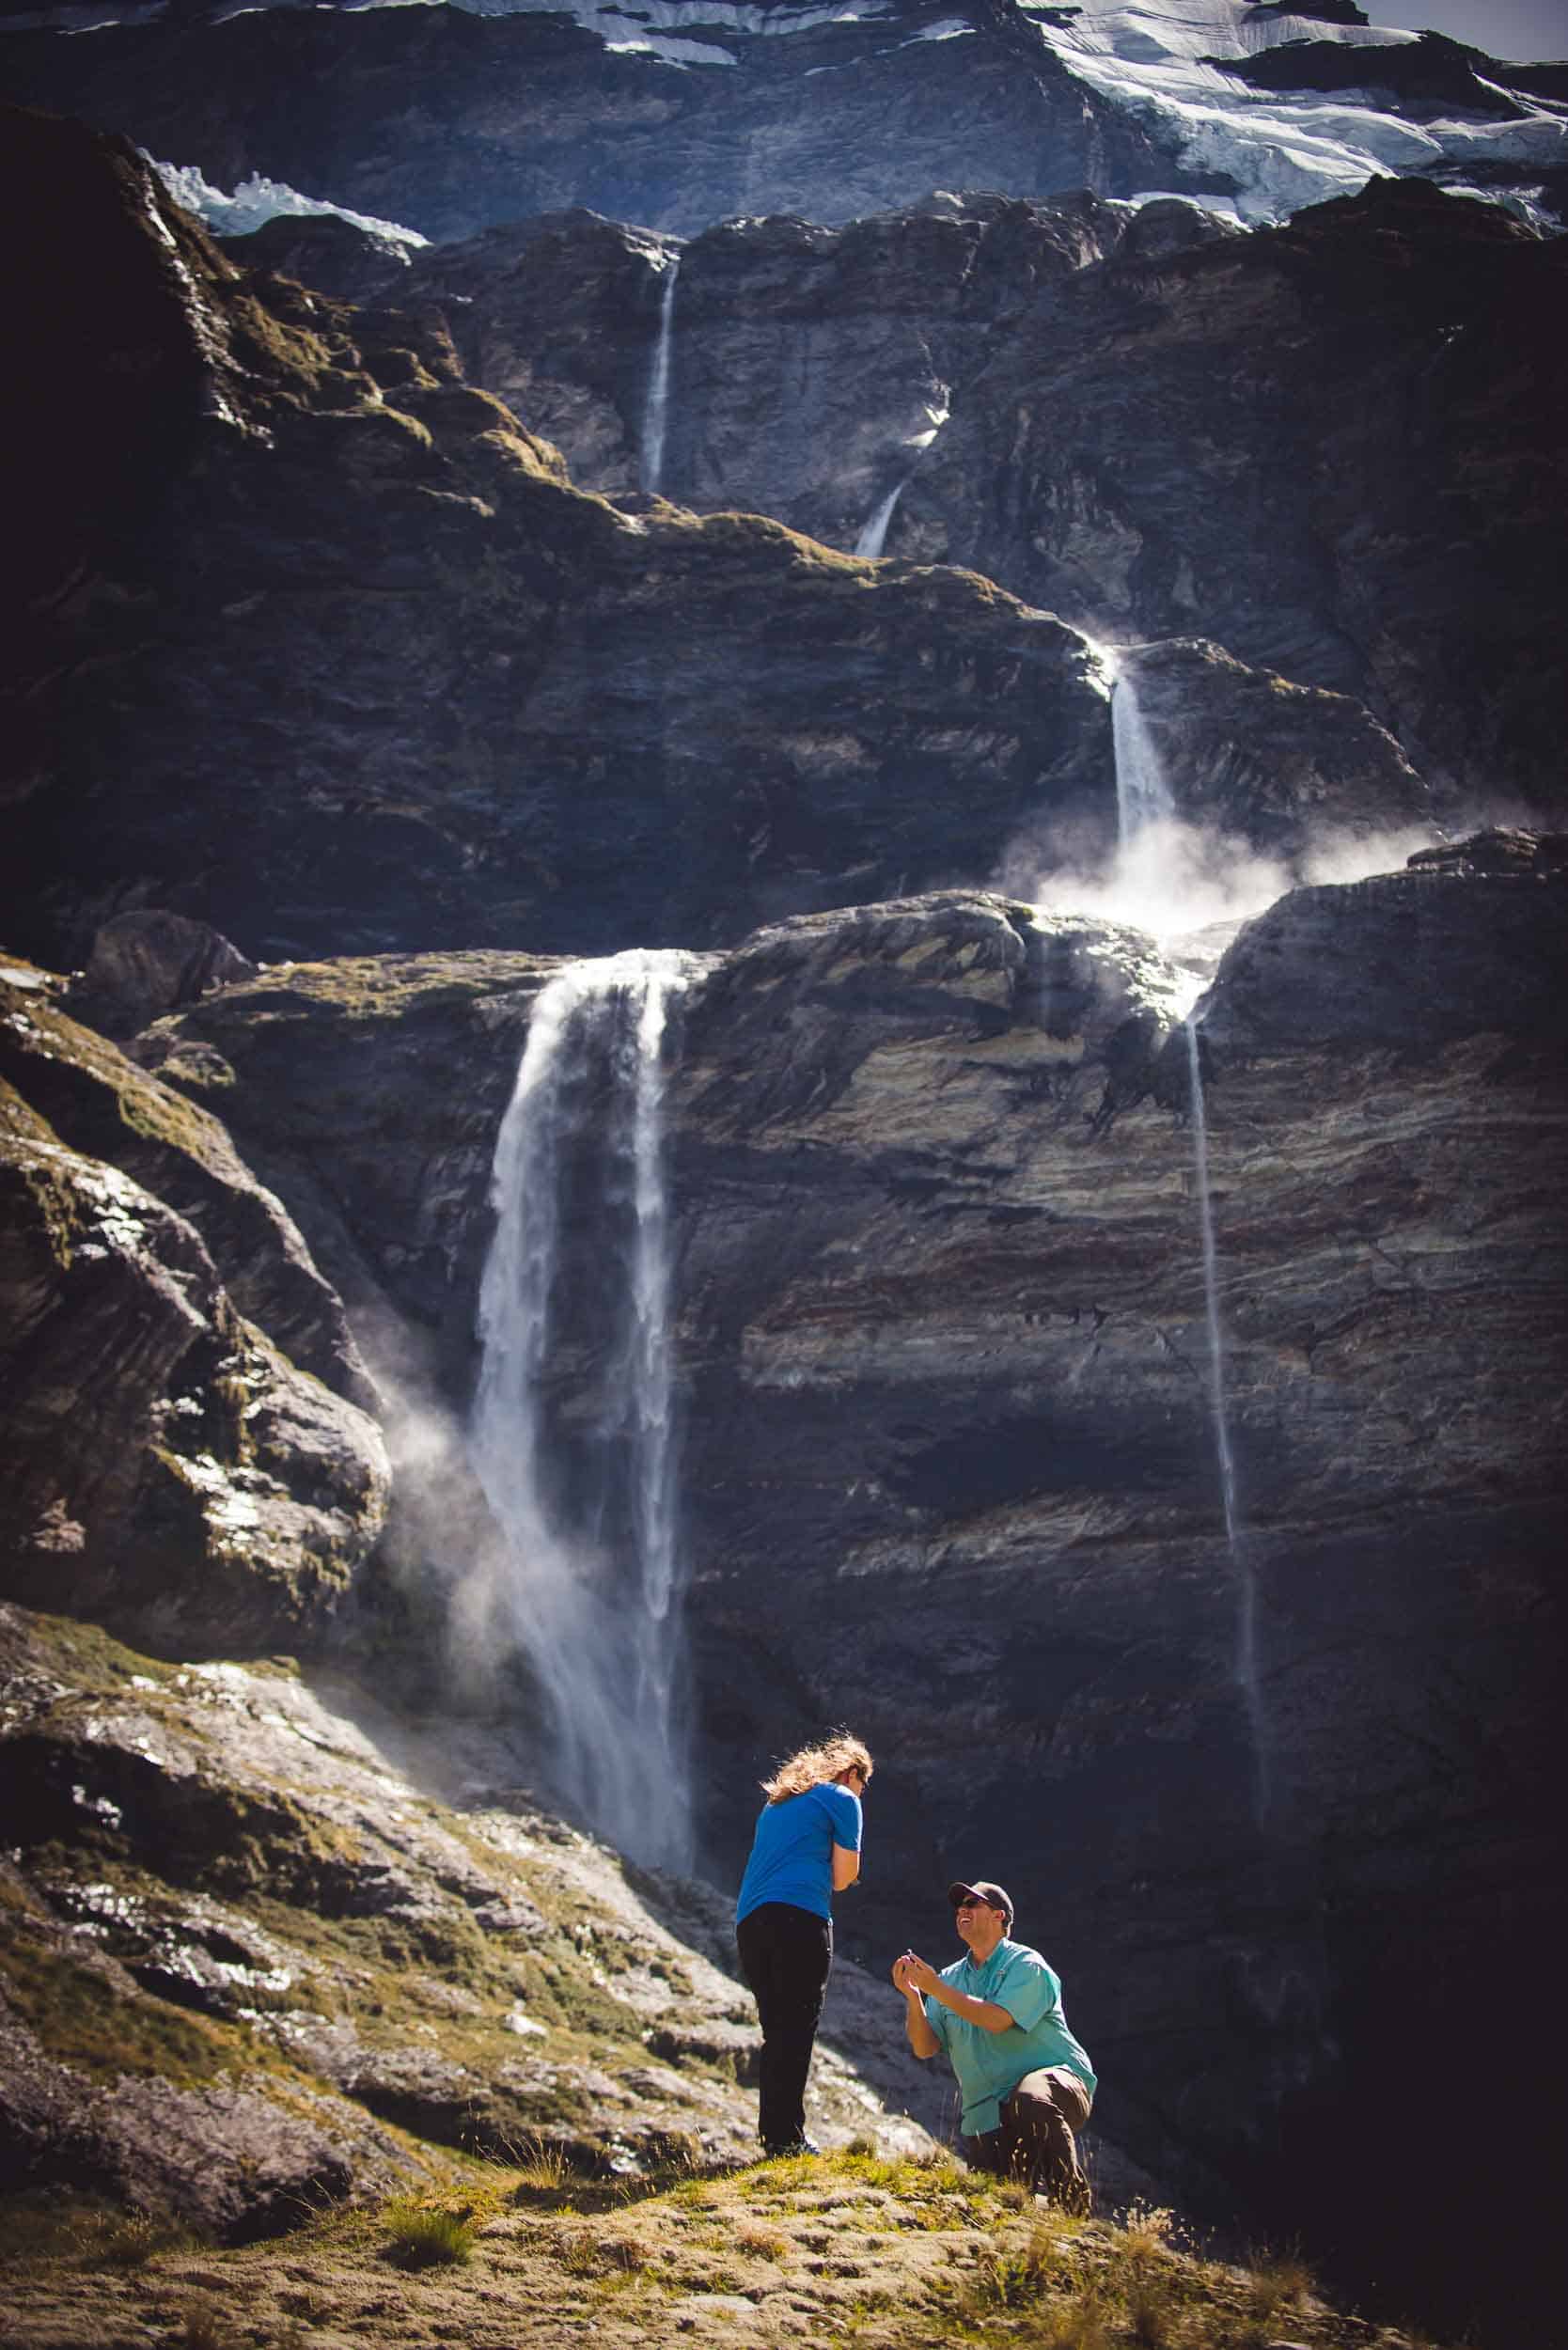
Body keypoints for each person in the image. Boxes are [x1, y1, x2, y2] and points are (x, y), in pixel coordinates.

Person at [892, 1877, 1095, 2206]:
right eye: (959, 1907)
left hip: (1058, 2081)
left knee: (1030, 2101)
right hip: (987, 2114)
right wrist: (915, 1998)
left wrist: (935, 1989)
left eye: (973, 1904)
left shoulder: (1026, 1965)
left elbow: (998, 2020)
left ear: (999, 1916)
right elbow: (925, 2047)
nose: (962, 1910)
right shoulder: (950, 1979)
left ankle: (1072, 2207)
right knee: (1000, 2203)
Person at [734, 1731, 872, 2156]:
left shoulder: (777, 1801)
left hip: (752, 1921)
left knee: (777, 2030)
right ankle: (787, 2138)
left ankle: (775, 2136)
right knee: (797, 2027)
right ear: (852, 1773)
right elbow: (844, 1877)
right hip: (800, 1916)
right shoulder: (843, 1799)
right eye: (863, 1784)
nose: (862, 1792)